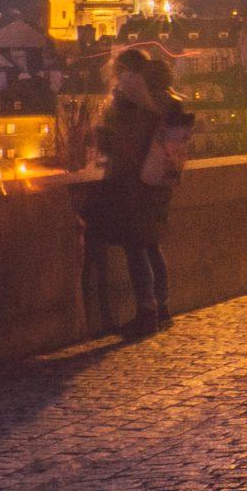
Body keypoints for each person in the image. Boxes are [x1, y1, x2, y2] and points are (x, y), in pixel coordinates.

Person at [89, 47, 193, 336]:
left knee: (136, 246)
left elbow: (121, 144)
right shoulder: (167, 99)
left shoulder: (133, 101)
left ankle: (146, 312)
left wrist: (106, 131)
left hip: (134, 183)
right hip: (161, 179)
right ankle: (162, 307)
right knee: (152, 244)